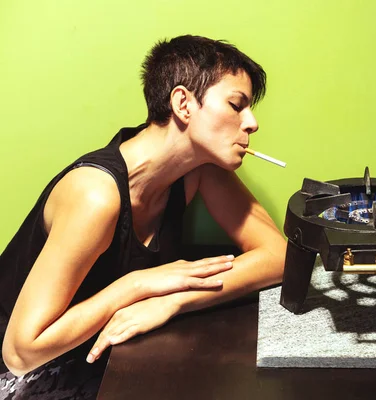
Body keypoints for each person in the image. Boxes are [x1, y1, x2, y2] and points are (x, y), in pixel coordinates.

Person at [0, 35, 286, 398]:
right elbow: (21, 352)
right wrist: (136, 285)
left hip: (106, 360)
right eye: (236, 105)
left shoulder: (200, 169)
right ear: (183, 103)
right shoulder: (96, 195)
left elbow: (278, 257)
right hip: (21, 380)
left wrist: (175, 300)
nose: (252, 123)